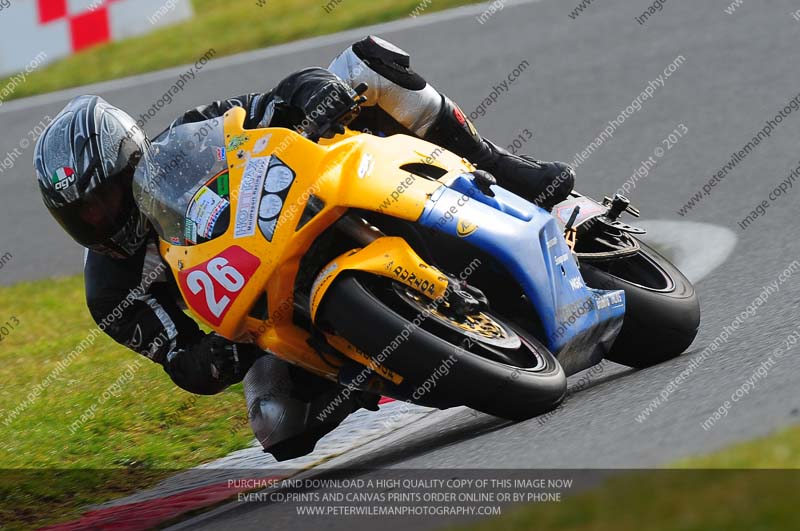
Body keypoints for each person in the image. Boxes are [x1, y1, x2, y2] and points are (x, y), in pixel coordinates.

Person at [33, 36, 574, 461]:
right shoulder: (111, 290)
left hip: (315, 203)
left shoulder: (188, 136)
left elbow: (273, 99)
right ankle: (371, 364)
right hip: (266, 323)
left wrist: (314, 94)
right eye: (83, 213)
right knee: (277, 425)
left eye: (105, 198)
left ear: (133, 160)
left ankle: (503, 170)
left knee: (365, 64)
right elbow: (181, 361)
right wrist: (213, 360)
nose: (101, 218)